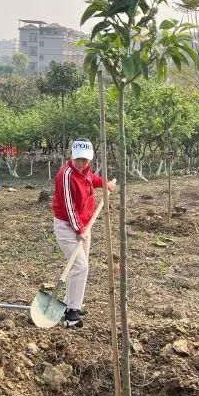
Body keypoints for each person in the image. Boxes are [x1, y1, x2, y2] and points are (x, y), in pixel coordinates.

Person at [51, 138, 114, 328]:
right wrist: (78, 230)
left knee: (78, 267)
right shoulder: (66, 175)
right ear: (72, 156)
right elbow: (69, 207)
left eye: (85, 160)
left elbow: (90, 180)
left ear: (90, 160)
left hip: (84, 225)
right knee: (80, 266)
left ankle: (71, 304)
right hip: (67, 226)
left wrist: (104, 184)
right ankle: (71, 314)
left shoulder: (85, 171)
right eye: (78, 159)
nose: (81, 163)